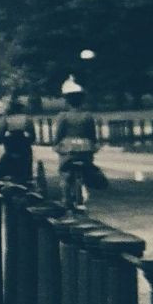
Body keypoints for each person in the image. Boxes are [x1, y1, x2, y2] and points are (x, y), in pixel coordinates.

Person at [53, 76, 105, 210]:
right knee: (88, 168)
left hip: (68, 150)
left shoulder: (63, 116)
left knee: (65, 174)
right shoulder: (88, 116)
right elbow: (92, 136)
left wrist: (56, 145)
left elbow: (58, 135)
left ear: (67, 100)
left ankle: (66, 199)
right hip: (86, 149)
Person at [0, 97, 35, 185]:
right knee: (27, 170)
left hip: (11, 149)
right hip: (24, 150)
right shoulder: (27, 119)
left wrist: (0, 140)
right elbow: (33, 137)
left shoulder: (6, 120)